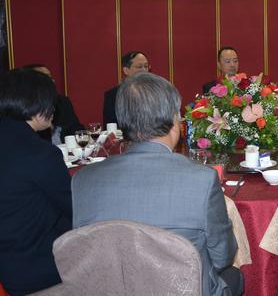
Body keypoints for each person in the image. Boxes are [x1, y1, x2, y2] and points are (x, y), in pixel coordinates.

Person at [73, 73, 243, 296]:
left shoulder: (83, 180)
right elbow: (222, 257)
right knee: (234, 276)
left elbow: (84, 257)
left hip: (111, 290)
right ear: (174, 120)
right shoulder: (202, 179)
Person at [0, 69, 73, 294]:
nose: (54, 109)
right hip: (35, 269)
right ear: (36, 105)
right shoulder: (40, 153)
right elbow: (72, 206)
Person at [24, 63, 84, 144]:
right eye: (46, 77)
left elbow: (76, 128)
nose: (52, 81)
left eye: (51, 77)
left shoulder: (62, 101)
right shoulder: (26, 107)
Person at [102, 51, 150, 125]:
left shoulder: (156, 92)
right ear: (126, 70)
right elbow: (111, 125)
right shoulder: (114, 95)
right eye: (139, 67)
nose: (144, 70)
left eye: (146, 66)